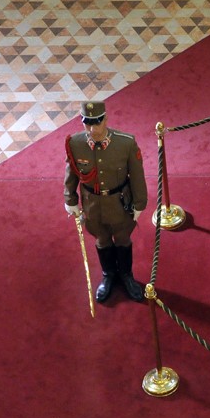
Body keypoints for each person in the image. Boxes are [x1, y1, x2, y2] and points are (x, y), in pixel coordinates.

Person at [64, 100, 148, 303]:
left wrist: (140, 203)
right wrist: (70, 199)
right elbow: (72, 173)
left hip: (119, 204)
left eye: (98, 122)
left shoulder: (125, 143)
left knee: (122, 239)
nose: (93, 129)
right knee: (101, 240)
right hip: (92, 205)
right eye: (88, 123)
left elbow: (137, 175)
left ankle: (127, 276)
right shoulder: (75, 144)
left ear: (106, 119)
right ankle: (108, 275)